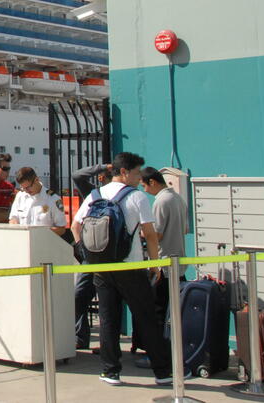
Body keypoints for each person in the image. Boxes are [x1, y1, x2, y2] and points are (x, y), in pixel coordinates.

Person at [71, 152, 173, 386]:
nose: (140, 178)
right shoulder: (137, 197)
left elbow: (76, 226)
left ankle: (110, 371)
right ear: (124, 172)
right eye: (137, 173)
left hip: (102, 268)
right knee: (147, 317)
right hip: (131, 266)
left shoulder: (95, 195)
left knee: (108, 319)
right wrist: (155, 264)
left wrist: (84, 254)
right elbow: (149, 234)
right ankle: (162, 371)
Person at [131, 166, 189, 366]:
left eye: (144, 186)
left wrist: (141, 232)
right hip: (178, 263)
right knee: (172, 313)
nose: (144, 191)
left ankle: (157, 355)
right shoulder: (178, 199)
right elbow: (186, 228)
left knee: (156, 312)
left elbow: (157, 235)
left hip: (163, 265)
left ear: (152, 182)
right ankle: (170, 352)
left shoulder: (160, 202)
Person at [71, 161, 112, 349]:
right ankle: (81, 337)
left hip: (114, 255)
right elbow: (77, 175)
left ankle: (109, 343)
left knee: (110, 300)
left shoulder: (127, 195)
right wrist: (102, 167)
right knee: (79, 296)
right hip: (90, 255)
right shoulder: (94, 194)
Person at [9, 167, 67, 236]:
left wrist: (40, 233)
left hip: (44, 243)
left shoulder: (54, 199)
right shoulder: (20, 196)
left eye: (28, 187)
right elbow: (13, 218)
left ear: (37, 179)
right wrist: (15, 225)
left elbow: (61, 229)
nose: (26, 191)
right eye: (23, 188)